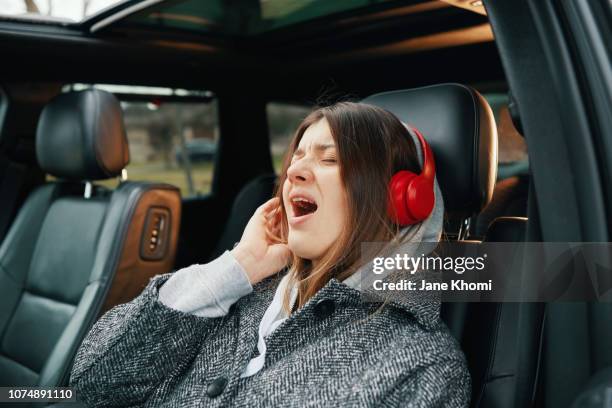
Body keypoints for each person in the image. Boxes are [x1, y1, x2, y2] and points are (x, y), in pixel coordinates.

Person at [69, 102, 470, 407]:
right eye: (297, 155)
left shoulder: (421, 367)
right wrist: (235, 267)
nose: (296, 171)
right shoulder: (240, 289)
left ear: (398, 199)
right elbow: (92, 385)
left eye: (330, 159)